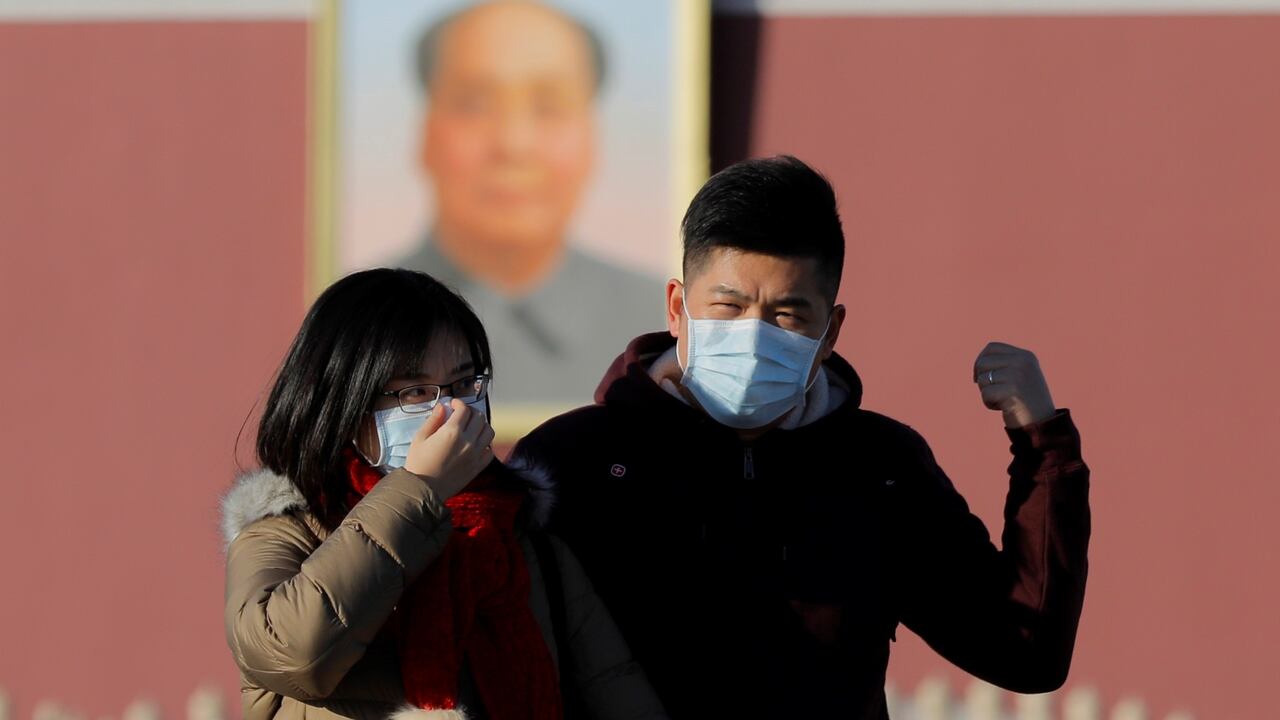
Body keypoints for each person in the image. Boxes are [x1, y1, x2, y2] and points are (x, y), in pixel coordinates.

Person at [510, 156, 1092, 718]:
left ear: (830, 331)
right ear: (677, 307)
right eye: (728, 306)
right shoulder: (573, 463)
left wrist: (1041, 442)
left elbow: (1025, 651)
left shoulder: (881, 469)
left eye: (787, 315)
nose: (753, 336)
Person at [221, 269, 666, 720]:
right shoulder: (286, 534)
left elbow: (617, 688)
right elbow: (292, 656)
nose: (449, 410)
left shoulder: (522, 539)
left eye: (464, 385)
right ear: (344, 403)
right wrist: (418, 490)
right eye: (416, 391)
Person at [393, 0, 660, 406]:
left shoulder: (654, 323)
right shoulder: (367, 317)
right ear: (426, 133)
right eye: (474, 104)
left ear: (593, 139)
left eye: (549, 107)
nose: (514, 144)